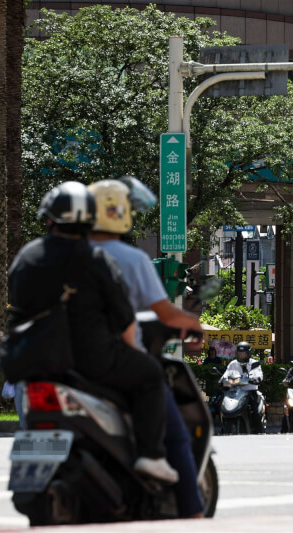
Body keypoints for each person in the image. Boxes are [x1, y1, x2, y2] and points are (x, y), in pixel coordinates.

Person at [8, 181, 177, 483]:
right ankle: (151, 456)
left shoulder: (27, 256)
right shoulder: (96, 259)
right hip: (91, 361)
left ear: (49, 218)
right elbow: (125, 319)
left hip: (30, 361)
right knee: (150, 375)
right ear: (89, 221)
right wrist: (134, 352)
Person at [87, 177, 203, 516]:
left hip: (60, 361)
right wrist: (194, 324)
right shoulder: (129, 258)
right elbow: (164, 312)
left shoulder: (64, 255)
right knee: (176, 433)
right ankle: (192, 511)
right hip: (116, 362)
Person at [221, 341, 265, 432]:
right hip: (234, 392)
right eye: (239, 353)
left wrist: (254, 379)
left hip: (249, 391)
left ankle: (259, 431)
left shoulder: (254, 363)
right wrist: (222, 381)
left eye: (243, 353)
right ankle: (223, 428)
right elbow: (225, 375)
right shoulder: (233, 364)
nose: (241, 355)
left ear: (248, 353)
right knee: (219, 403)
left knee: (255, 411)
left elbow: (259, 375)